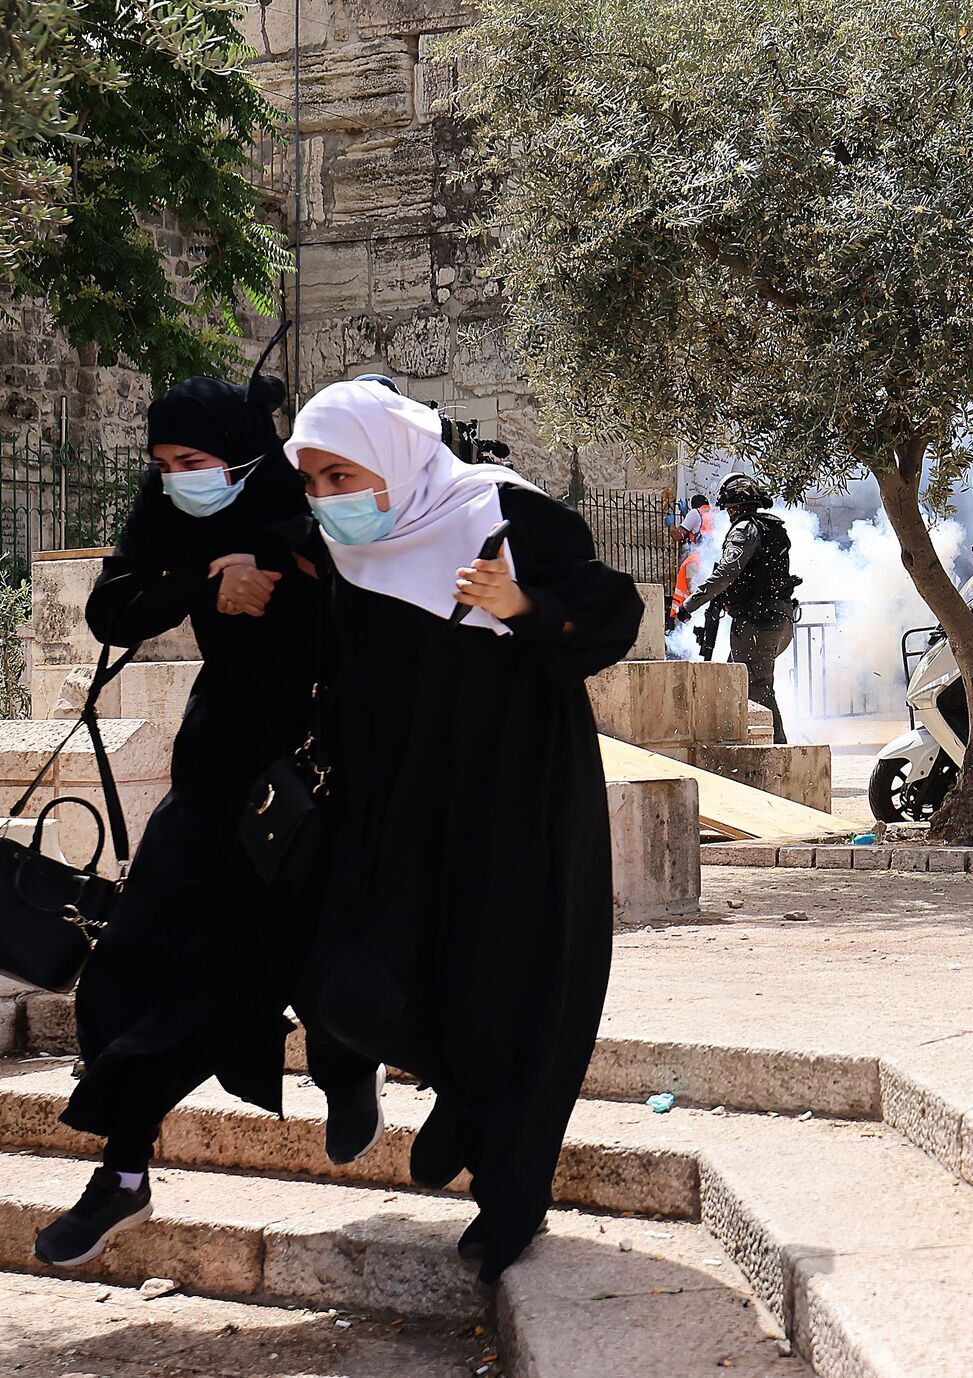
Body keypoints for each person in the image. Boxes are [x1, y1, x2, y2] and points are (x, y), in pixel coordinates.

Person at [282, 379, 642, 1285]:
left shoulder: (501, 514)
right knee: (341, 981)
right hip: (392, 803)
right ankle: (463, 1090)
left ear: (393, 457)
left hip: (510, 804)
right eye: (313, 480)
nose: (328, 497)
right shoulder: (339, 547)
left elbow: (612, 613)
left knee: (505, 989)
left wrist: (525, 608)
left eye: (340, 473)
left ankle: (508, 1203)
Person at [35, 359, 383, 1268]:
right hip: (220, 763)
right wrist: (205, 583)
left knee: (318, 947)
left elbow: (363, 563)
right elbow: (114, 609)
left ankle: (347, 1071)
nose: (174, 475)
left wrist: (273, 558)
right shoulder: (168, 503)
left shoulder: (307, 484)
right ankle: (121, 1173)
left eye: (189, 457)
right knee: (137, 962)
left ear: (235, 451)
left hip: (324, 763)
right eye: (161, 460)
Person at [677, 472, 798, 743]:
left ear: (735, 506)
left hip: (758, 622)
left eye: (729, 509)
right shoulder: (770, 527)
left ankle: (776, 752)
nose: (728, 514)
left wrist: (690, 605)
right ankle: (740, 743)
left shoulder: (744, 529)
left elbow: (726, 573)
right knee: (737, 683)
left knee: (755, 688)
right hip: (778, 619)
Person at [668, 494, 713, 630]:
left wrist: (670, 524)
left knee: (691, 592)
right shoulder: (714, 513)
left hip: (698, 560)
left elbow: (678, 535)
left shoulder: (695, 513)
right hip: (713, 559)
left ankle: (685, 623)